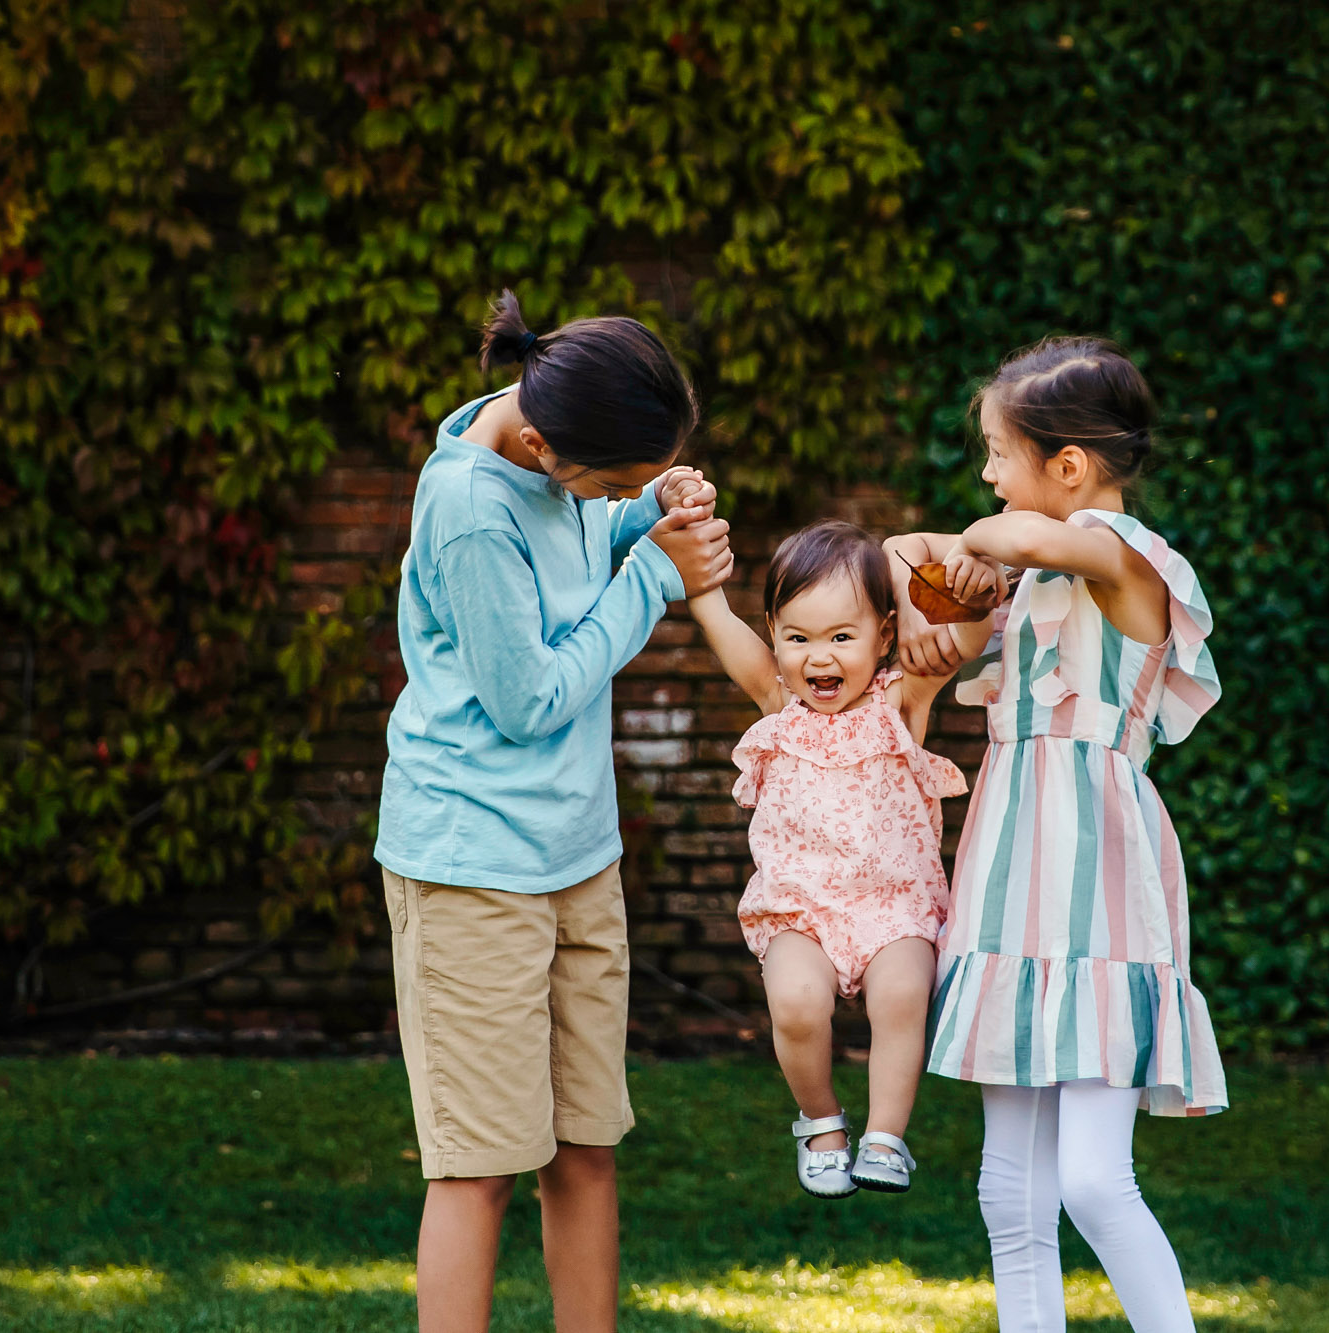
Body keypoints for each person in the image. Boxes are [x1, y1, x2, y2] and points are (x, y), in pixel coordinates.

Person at [374, 291, 731, 1333]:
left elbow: (579, 524)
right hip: (470, 863)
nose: (614, 495)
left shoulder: (550, 446)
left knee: (583, 1146)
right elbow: (527, 699)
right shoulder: (472, 508)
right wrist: (652, 573)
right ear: (542, 443)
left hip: (576, 853)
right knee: (479, 1165)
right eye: (610, 479)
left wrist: (644, 501)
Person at [887, 337, 1227, 1332]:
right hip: (1009, 870)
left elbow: (1037, 543)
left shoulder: (1125, 560)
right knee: (1009, 1190)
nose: (988, 476)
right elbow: (903, 562)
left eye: (998, 453)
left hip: (1095, 878)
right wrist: (938, 602)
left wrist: (971, 551)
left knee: (1090, 1178)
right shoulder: (1024, 582)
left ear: (1066, 467)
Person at [685, 520, 996, 1197]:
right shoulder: (780, 705)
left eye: (840, 637)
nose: (817, 657)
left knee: (903, 993)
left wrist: (976, 598)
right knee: (794, 1001)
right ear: (773, 632)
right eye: (797, 637)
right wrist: (700, 580)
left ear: (885, 634)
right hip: (801, 907)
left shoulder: (901, 699)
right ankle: (821, 1119)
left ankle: (886, 1136)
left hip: (894, 903)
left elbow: (964, 641)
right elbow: (718, 618)